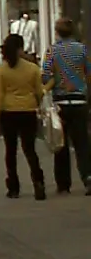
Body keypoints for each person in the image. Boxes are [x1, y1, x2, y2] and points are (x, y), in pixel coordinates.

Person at [0, 32, 46, 200]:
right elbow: (39, 91)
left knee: (10, 151)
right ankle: (38, 181)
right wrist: (37, 103)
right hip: (28, 111)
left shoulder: (0, 70)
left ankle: (13, 187)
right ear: (21, 48)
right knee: (30, 149)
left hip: (8, 113)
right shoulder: (33, 68)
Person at [42, 17, 91, 195]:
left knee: (60, 143)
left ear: (57, 32)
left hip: (60, 102)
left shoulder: (52, 51)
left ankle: (63, 184)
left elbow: (45, 76)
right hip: (79, 100)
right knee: (82, 143)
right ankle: (87, 177)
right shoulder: (82, 50)